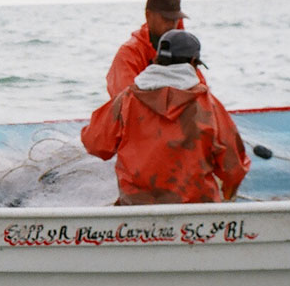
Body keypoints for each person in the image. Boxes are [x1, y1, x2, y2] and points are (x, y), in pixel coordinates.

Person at [81, 30, 250, 205]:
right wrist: (228, 194)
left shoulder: (126, 100)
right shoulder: (208, 105)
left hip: (136, 207)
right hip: (197, 211)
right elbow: (234, 166)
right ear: (193, 62)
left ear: (157, 60)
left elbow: (95, 144)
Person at [105, 0, 203, 98]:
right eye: (166, 19)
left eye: (175, 19)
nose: (171, 25)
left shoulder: (184, 49)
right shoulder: (128, 54)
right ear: (148, 15)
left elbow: (201, 94)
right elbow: (125, 102)